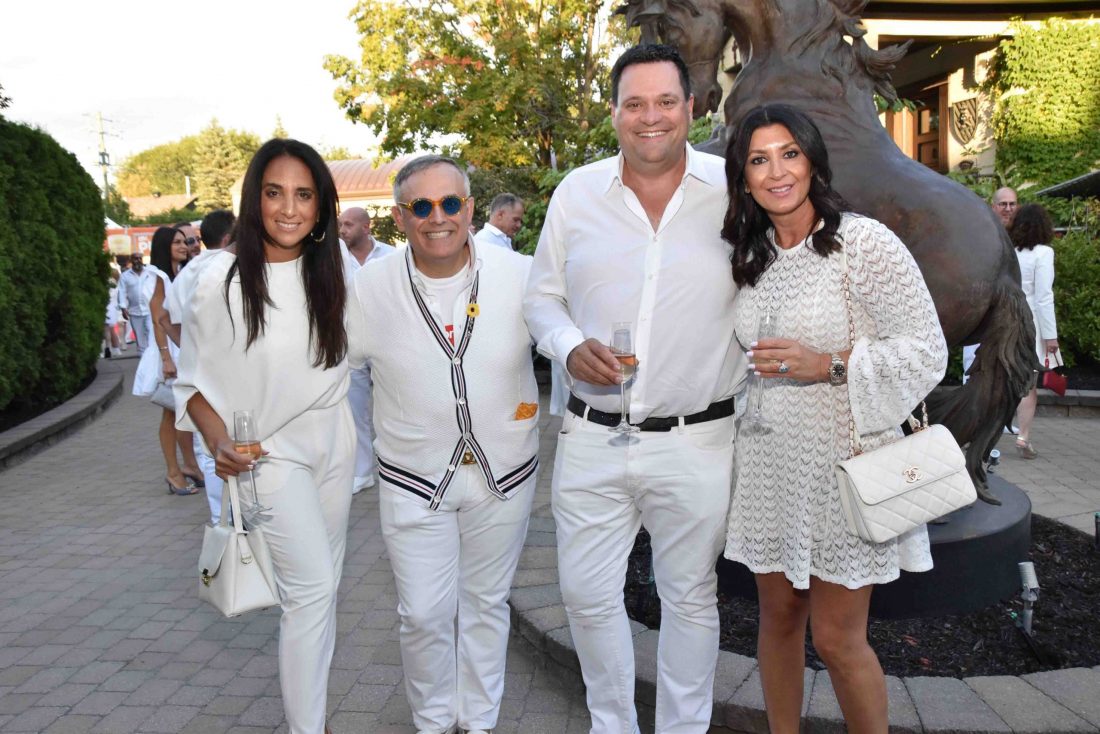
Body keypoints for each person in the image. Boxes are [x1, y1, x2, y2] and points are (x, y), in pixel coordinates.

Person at [524, 44, 745, 734]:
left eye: (666, 101)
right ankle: (612, 725)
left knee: (690, 599)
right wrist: (567, 345)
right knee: (586, 597)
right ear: (615, 112)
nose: (652, 117)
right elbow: (540, 299)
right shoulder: (577, 192)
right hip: (592, 437)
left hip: (697, 439)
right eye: (635, 103)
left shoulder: (735, 189)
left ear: (692, 107)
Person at [721, 103, 946, 733]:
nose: (776, 172)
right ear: (744, 179)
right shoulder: (750, 257)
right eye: (759, 160)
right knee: (778, 620)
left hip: (845, 464)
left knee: (838, 638)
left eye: (789, 153)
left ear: (813, 161)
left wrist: (830, 365)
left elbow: (929, 350)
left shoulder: (863, 243)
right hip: (769, 466)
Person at [347, 155, 538, 734]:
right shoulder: (369, 287)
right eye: (422, 206)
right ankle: (433, 721)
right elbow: (328, 370)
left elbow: (568, 336)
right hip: (412, 475)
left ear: (470, 208)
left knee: (486, 604)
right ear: (400, 217)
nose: (438, 217)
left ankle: (477, 721)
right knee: (424, 614)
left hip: (505, 470)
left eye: (450, 203)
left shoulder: (522, 275)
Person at [175, 138, 352, 734]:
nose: (289, 208)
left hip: (335, 446)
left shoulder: (334, 270)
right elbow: (191, 385)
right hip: (267, 457)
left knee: (321, 594)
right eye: (275, 192)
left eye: (304, 195)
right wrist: (217, 441)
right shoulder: (218, 279)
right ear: (254, 200)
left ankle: (314, 716)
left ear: (321, 206)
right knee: (312, 591)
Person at [165, 208, 237, 524]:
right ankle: (228, 520)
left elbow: (165, 317)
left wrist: (190, 353)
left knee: (210, 448)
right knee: (224, 446)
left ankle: (221, 519)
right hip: (225, 374)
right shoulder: (227, 266)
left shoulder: (190, 270)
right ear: (228, 236)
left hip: (203, 375)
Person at [132, 226, 203, 495]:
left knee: (181, 411)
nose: (184, 246)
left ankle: (189, 466)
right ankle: (174, 472)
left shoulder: (177, 274)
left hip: (177, 348)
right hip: (168, 351)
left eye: (185, 242)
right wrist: (166, 358)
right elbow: (157, 318)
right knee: (171, 412)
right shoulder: (159, 276)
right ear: (164, 246)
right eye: (177, 243)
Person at [338, 206, 396, 494]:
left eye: (348, 224)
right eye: (340, 224)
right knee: (354, 411)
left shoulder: (391, 256)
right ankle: (362, 472)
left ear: (366, 226)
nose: (342, 230)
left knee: (394, 407)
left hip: (388, 342)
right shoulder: (335, 258)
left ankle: (396, 467)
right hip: (350, 343)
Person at [1010, 203, 1059, 459]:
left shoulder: (1010, 252)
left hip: (1007, 318)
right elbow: (1043, 297)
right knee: (1029, 383)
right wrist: (1051, 336)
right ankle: (1023, 436)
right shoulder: (1044, 253)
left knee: (1004, 379)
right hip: (1031, 324)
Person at [963, 185, 1020, 382]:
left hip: (1012, 318)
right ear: (993, 206)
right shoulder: (979, 234)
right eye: (1003, 204)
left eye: (1012, 204)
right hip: (981, 313)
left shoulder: (1024, 238)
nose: (1008, 209)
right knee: (974, 368)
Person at [118, 252, 154, 354]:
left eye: (140, 258)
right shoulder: (125, 276)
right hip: (134, 311)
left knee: (151, 334)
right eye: (135, 258)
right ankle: (143, 357)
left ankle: (151, 357)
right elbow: (122, 291)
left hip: (149, 310)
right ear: (131, 261)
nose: (138, 260)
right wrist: (123, 307)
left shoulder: (149, 273)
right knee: (140, 337)